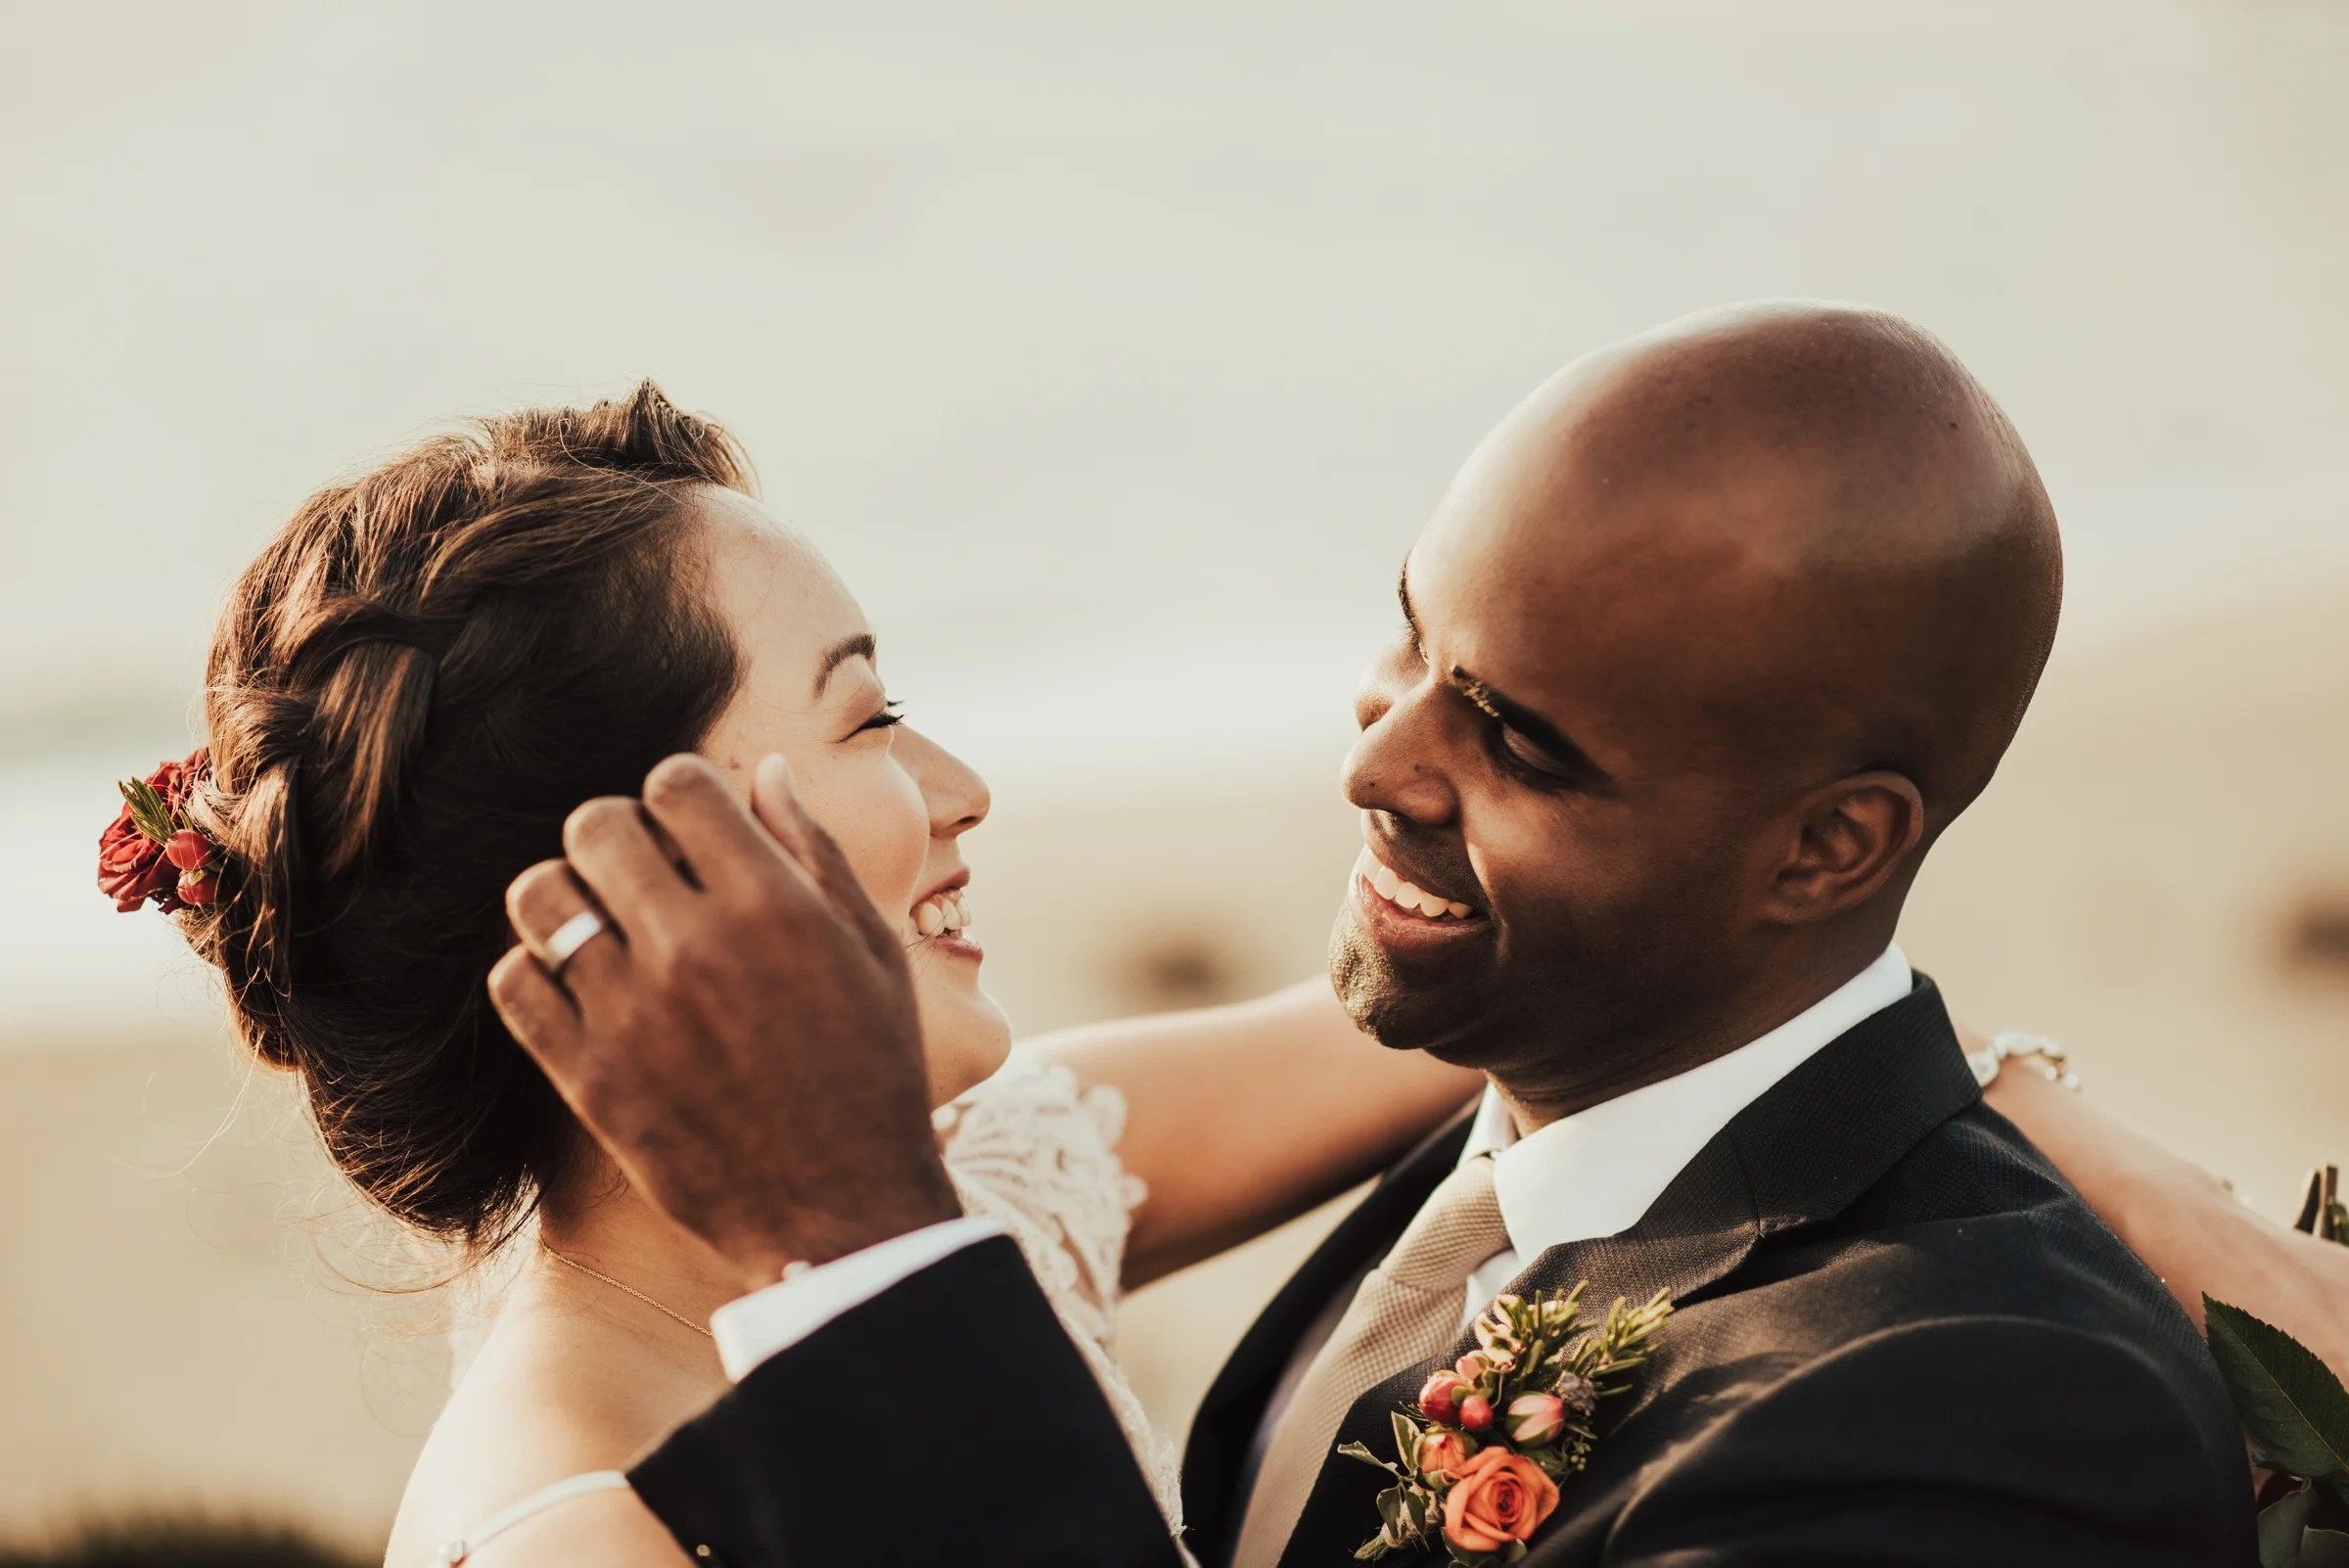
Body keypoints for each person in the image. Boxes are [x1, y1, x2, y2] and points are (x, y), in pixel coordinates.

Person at [489, 304, 2281, 1567]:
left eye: (1514, 735)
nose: (1374, 762)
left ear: (1831, 848)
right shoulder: (1506, 1132)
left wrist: (858, 1238)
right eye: (1407, 639)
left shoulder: (1986, 1408)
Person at [95, 387, 1483, 1568]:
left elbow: (1474, 1012)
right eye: (867, 718)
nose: (963, 792)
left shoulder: (974, 1184)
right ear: (635, 883)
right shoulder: (582, 1527)